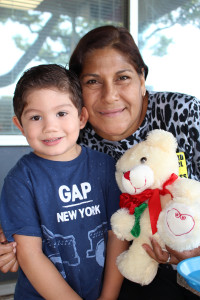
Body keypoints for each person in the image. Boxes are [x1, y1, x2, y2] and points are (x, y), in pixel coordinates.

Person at [0, 25, 200, 299]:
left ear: (142, 80)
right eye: (93, 81)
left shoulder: (184, 113)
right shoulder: (74, 138)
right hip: (127, 272)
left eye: (123, 77)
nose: (109, 95)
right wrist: (10, 240)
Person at [0, 63, 128, 300]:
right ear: (19, 125)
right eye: (36, 117)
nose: (50, 127)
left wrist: (108, 298)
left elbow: (117, 235)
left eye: (61, 113)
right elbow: (30, 255)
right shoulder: (20, 181)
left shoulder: (106, 167)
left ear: (81, 117)